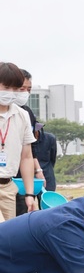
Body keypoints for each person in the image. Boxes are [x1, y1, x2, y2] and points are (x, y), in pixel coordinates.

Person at [0, 62, 36, 222]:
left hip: (8, 187)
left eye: (15, 89)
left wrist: (29, 193)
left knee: (7, 240)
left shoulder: (22, 115)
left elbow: (26, 156)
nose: (11, 93)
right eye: (6, 87)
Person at [15, 70, 49, 215]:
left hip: (20, 174)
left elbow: (30, 148)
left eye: (29, 89)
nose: (25, 93)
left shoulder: (26, 113)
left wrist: (38, 170)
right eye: (22, 89)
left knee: (21, 213)